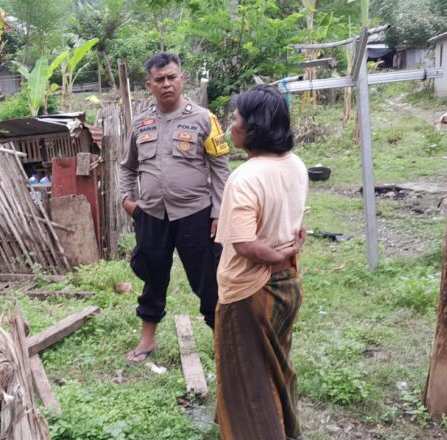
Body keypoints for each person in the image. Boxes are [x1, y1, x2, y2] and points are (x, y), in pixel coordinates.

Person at [119, 52, 231, 363]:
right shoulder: (141, 123)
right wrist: (126, 200)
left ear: (182, 79)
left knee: (207, 278)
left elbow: (221, 169)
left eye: (172, 77)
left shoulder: (204, 119)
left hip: (195, 213)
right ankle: (147, 339)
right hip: (152, 214)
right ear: (150, 85)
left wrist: (219, 212)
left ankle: (222, 338)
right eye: (160, 80)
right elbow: (127, 166)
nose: (167, 84)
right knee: (153, 276)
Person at [213, 84, 308, 440]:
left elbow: (246, 246)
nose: (230, 126)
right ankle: (288, 428)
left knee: (249, 381)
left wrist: (278, 254)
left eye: (235, 118)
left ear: (253, 127)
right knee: (276, 366)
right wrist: (287, 254)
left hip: (250, 292)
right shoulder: (295, 165)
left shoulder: (245, 178)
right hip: (287, 287)